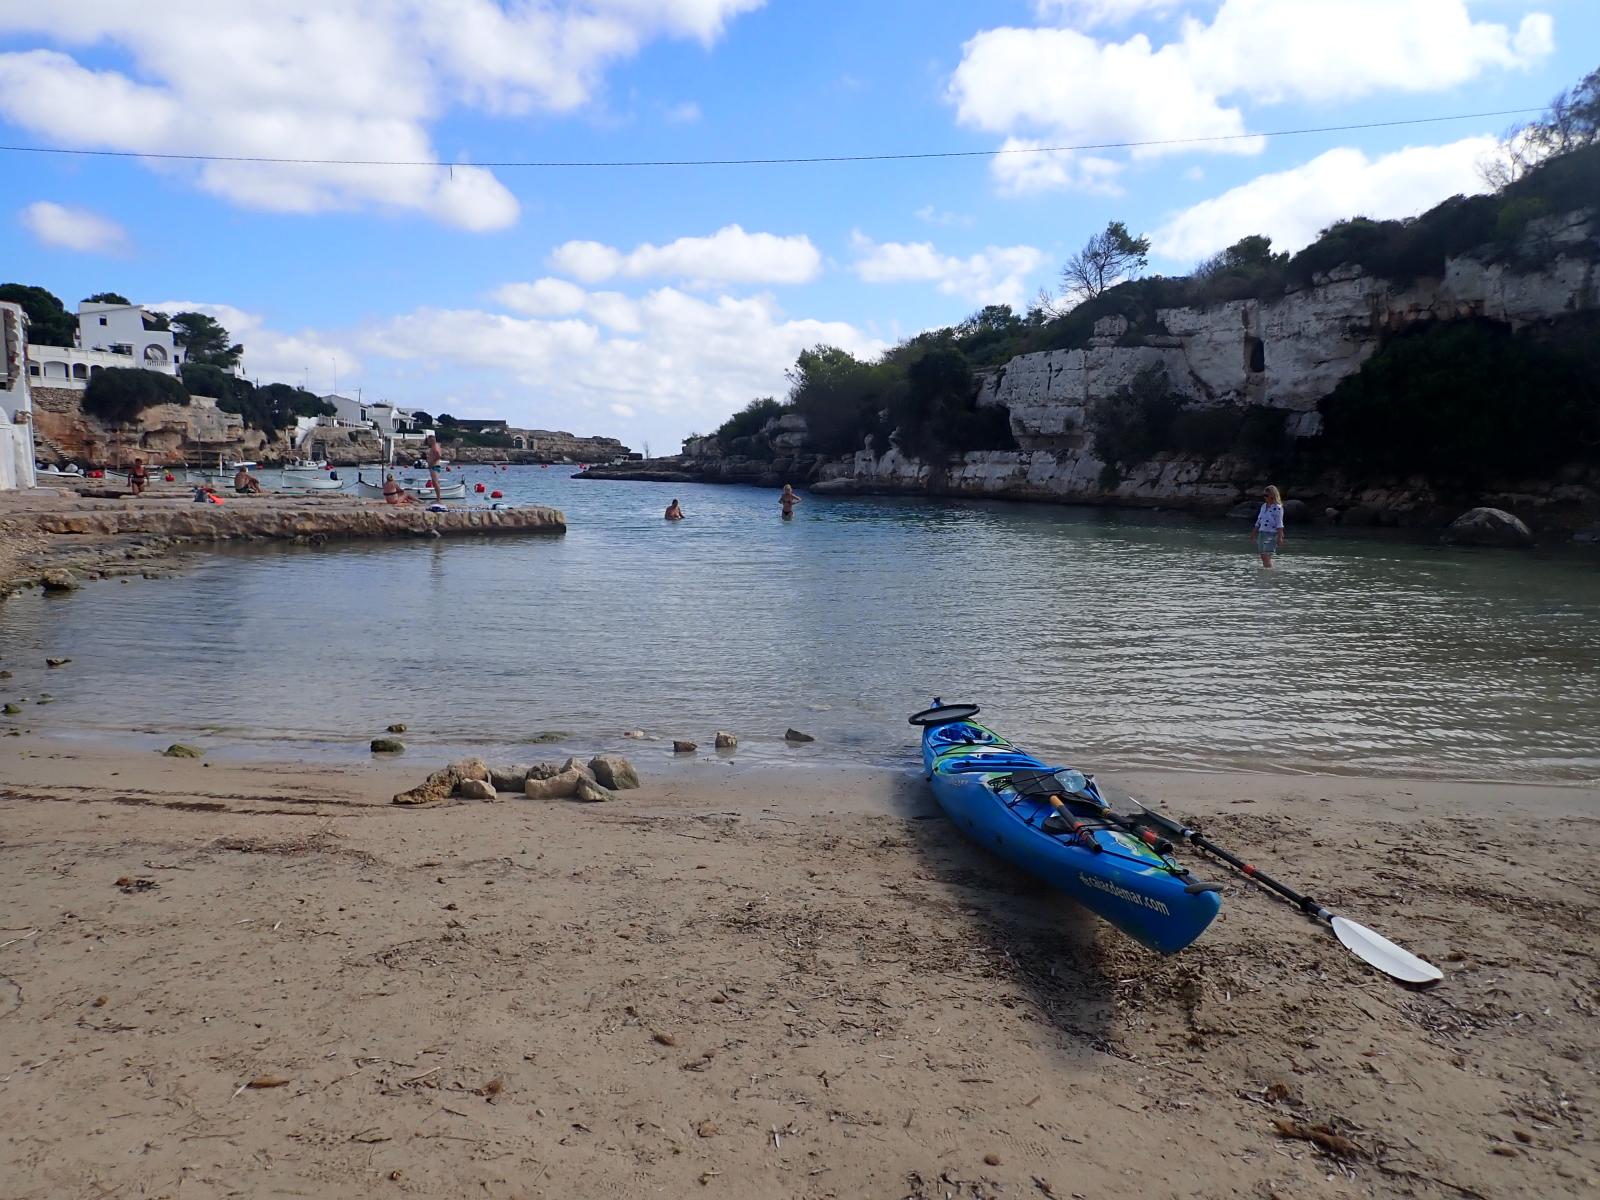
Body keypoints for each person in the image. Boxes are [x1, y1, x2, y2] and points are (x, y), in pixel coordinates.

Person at [1253, 484, 1286, 567]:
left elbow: (1279, 523)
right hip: (1262, 533)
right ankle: (1270, 571)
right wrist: (1254, 533)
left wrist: (1280, 537)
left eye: (1266, 495)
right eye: (1264, 495)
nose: (1265, 497)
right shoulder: (1263, 506)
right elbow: (1259, 520)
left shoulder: (1278, 508)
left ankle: (1269, 573)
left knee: (1266, 555)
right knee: (1263, 556)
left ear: (1272, 495)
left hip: (1271, 534)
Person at [425, 434, 444, 500]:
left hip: (434, 466)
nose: (428, 442)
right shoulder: (435, 446)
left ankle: (438, 498)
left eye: (429, 441)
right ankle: (437, 497)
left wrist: (432, 461)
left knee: (435, 482)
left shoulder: (435, 447)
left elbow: (439, 455)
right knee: (434, 482)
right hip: (433, 466)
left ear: (432, 440)